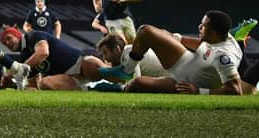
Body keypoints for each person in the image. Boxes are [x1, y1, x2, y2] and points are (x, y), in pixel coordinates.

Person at [100, 10, 243, 95]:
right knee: (145, 31)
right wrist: (176, 38)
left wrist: (199, 91)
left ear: (214, 33)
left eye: (203, 26)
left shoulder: (223, 57)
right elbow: (202, 44)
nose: (199, 27)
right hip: (184, 59)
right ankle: (127, 70)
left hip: (184, 82)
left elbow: (236, 89)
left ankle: (119, 86)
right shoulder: (223, 36)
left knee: (136, 83)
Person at [0, 26, 107, 91]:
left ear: (17, 35)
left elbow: (43, 53)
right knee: (43, 84)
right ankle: (92, 90)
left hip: (80, 63)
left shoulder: (33, 36)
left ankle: (120, 81)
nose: (7, 43)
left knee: (97, 70)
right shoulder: (24, 57)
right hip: (66, 78)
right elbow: (33, 85)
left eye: (9, 38)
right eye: (4, 43)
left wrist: (18, 69)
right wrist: (13, 85)